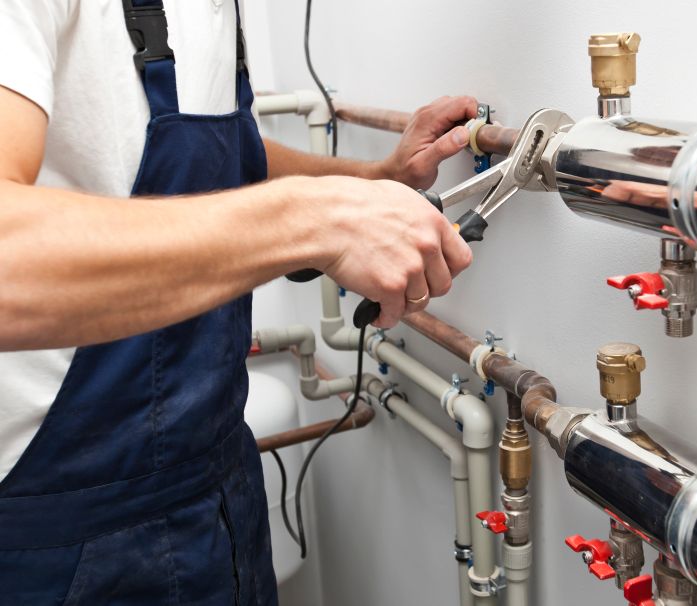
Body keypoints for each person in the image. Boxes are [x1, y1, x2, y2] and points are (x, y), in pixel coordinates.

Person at [0, 1, 475, 604]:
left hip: (221, 491)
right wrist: (312, 221)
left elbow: (221, 164)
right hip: (65, 539)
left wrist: (374, 183)